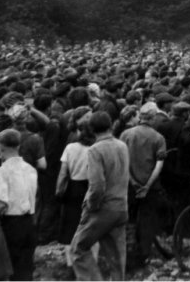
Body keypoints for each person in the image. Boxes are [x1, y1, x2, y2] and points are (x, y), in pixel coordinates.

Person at [71, 111, 130, 281]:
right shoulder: (122, 145)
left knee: (78, 249)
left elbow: (97, 185)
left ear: (91, 129)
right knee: (117, 258)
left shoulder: (95, 150)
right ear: (111, 124)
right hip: (121, 207)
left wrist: (91, 206)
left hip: (103, 209)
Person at [0, 129, 38, 281]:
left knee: (9, 269)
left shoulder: (2, 172)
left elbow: (0, 203)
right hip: (30, 222)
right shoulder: (31, 170)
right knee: (26, 270)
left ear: (0, 148)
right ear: (18, 146)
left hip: (11, 225)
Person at [119, 107, 167, 267]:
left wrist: (132, 181)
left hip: (129, 185)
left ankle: (128, 252)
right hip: (150, 186)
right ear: (153, 118)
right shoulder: (158, 137)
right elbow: (159, 164)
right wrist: (147, 186)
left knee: (129, 219)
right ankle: (143, 254)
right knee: (147, 220)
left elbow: (122, 161)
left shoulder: (126, 135)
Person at [56, 114, 95, 265]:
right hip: (90, 187)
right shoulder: (95, 148)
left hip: (73, 187)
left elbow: (63, 173)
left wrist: (59, 191)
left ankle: (70, 262)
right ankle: (91, 260)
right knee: (90, 224)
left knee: (69, 225)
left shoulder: (70, 148)